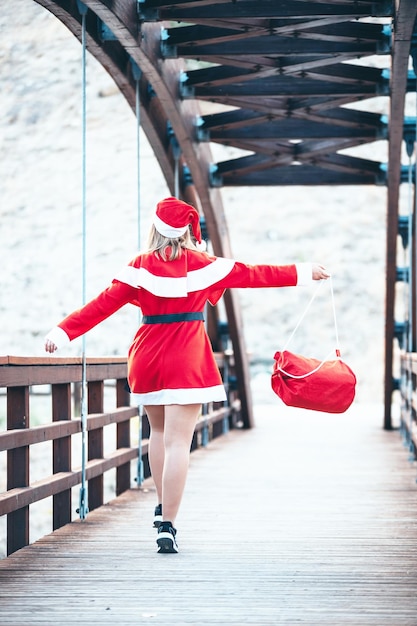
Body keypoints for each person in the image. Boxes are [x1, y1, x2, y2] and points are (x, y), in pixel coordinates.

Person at [45, 196, 330, 554]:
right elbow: (256, 274)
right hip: (187, 356)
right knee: (179, 442)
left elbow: (102, 305)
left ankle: (163, 507)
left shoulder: (139, 266)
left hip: (148, 355)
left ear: (155, 229)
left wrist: (62, 332)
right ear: (185, 233)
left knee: (159, 434)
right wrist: (304, 272)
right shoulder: (203, 264)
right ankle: (168, 524)